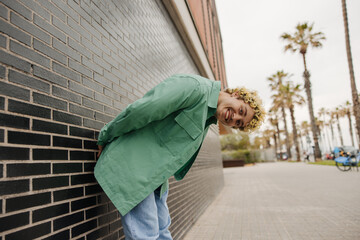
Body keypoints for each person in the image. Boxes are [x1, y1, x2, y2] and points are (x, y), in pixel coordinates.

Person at [95, 74, 265, 239]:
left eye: (238, 123)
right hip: (135, 168)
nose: (234, 117)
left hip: (155, 179)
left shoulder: (208, 117)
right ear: (236, 95)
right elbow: (143, 110)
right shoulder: (195, 87)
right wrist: (107, 134)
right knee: (146, 235)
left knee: (162, 232)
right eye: (241, 110)